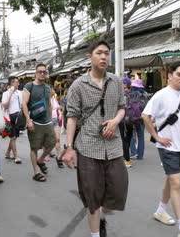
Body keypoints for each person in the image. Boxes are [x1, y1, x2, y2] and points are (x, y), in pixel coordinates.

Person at [63, 41, 128, 237]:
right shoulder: (78, 85)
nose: (103, 57)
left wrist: (115, 121)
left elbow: (122, 107)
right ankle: (95, 233)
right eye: (99, 53)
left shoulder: (116, 82)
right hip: (88, 146)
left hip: (114, 146)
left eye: (107, 53)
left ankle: (102, 215)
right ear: (89, 57)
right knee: (92, 197)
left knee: (118, 189)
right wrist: (68, 147)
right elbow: (72, 118)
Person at [142, 62, 180, 237]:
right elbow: (145, 116)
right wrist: (156, 137)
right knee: (176, 183)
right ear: (169, 75)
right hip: (167, 145)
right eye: (179, 74)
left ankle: (161, 210)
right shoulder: (161, 95)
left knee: (171, 179)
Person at [22, 63, 57, 182]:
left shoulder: (47, 87)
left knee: (52, 142)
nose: (42, 74)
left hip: (47, 121)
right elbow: (24, 104)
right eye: (40, 71)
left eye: (44, 72)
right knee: (34, 147)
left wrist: (51, 119)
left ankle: (41, 160)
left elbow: (49, 104)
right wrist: (28, 120)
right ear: (36, 73)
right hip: (34, 122)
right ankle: (36, 172)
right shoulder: (29, 86)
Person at [2, 76, 23, 164]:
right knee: (13, 137)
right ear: (12, 83)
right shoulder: (5, 93)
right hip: (9, 117)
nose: (18, 84)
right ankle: (16, 156)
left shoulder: (19, 93)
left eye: (18, 82)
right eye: (16, 82)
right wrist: (10, 94)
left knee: (14, 137)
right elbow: (5, 106)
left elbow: (22, 105)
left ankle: (7, 153)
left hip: (18, 117)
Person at [128, 78, 147, 160]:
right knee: (141, 135)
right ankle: (140, 154)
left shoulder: (131, 94)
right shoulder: (145, 94)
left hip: (132, 117)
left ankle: (133, 152)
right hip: (142, 117)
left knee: (131, 135)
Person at [120, 77, 133, 168]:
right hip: (132, 120)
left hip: (123, 120)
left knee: (123, 139)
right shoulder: (133, 94)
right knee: (128, 138)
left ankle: (127, 159)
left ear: (125, 84)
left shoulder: (122, 95)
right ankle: (126, 155)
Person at [50, 86, 64, 168]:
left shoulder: (54, 99)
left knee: (58, 139)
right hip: (48, 122)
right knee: (48, 141)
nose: (54, 91)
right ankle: (45, 154)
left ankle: (59, 158)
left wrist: (60, 114)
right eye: (52, 89)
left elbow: (58, 108)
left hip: (56, 121)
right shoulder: (47, 100)